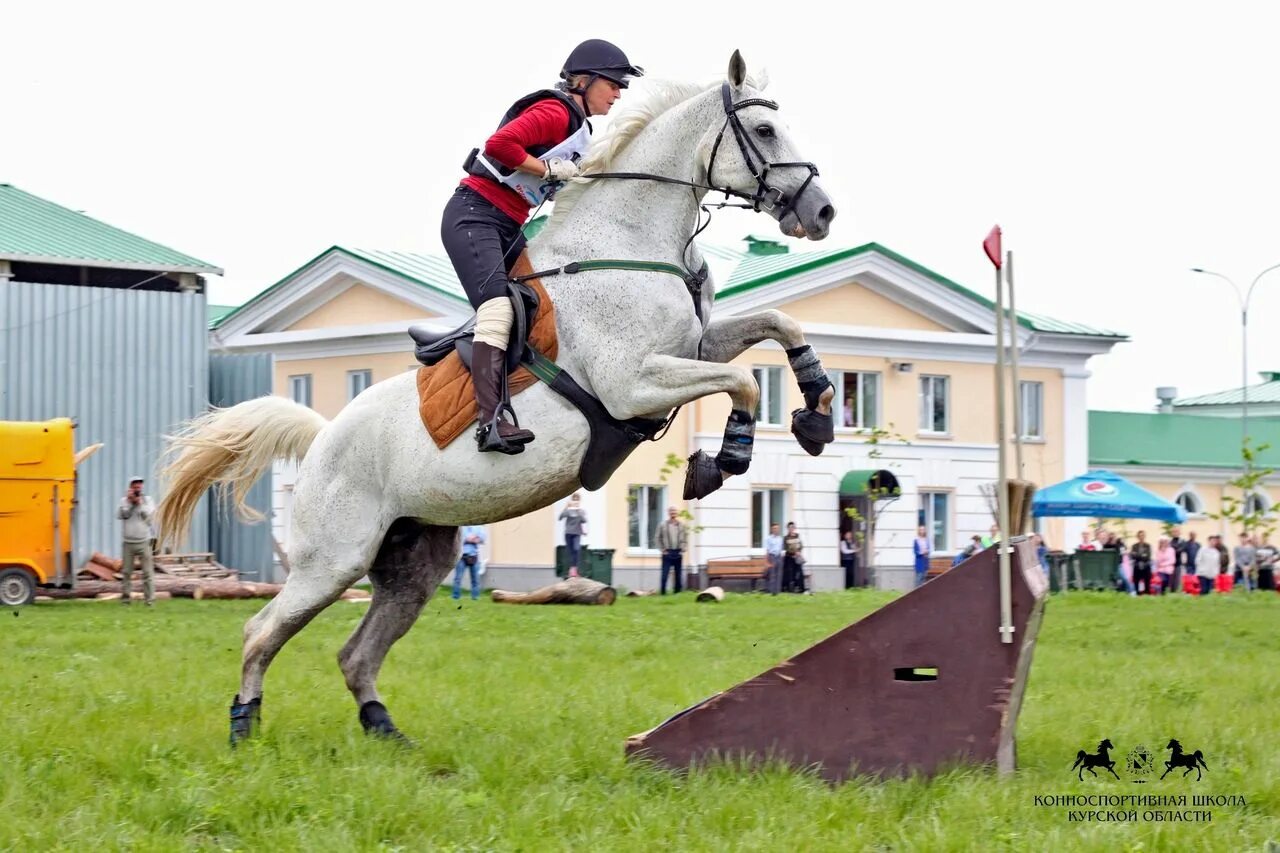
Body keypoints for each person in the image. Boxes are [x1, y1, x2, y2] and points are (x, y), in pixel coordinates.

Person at [442, 39, 643, 455]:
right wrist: (549, 169)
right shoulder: (555, 112)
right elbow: (500, 146)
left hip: (506, 223)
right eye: (614, 83)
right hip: (474, 216)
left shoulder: (581, 131)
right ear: (583, 81)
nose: (619, 93)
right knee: (498, 309)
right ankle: (490, 421)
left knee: (545, 303)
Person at [117, 476, 155, 606]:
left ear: (142, 486)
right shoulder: (124, 500)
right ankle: (126, 599)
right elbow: (122, 515)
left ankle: (149, 600)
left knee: (147, 573)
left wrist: (139, 504)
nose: (137, 487)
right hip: (128, 542)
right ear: (131, 487)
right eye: (135, 485)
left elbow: (149, 517)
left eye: (139, 484)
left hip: (144, 541)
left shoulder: (148, 500)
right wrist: (130, 503)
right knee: (126, 572)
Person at [654, 505, 688, 595]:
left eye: (674, 511)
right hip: (667, 552)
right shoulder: (662, 525)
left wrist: (683, 550)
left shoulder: (682, 525)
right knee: (664, 574)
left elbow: (685, 538)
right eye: (671, 511)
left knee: (678, 574)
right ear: (668, 513)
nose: (673, 513)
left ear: (677, 513)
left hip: (678, 551)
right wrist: (662, 550)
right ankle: (663, 592)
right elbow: (657, 538)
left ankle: (677, 592)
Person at [452, 525, 487, 601]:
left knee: (475, 580)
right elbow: (459, 539)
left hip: (474, 556)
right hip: (461, 556)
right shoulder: (461, 527)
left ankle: (475, 597)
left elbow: (483, 539)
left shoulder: (479, 527)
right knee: (458, 578)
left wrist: (468, 539)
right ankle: (455, 597)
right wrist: (473, 538)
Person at [559, 493, 588, 578]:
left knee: (576, 549)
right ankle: (572, 570)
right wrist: (566, 507)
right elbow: (560, 518)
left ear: (579, 501)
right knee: (571, 551)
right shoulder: (568, 511)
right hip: (568, 533)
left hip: (577, 533)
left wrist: (579, 512)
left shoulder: (581, 511)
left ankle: (574, 569)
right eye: (574, 499)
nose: (575, 501)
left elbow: (584, 520)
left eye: (577, 500)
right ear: (572, 500)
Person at [782, 522, 806, 593]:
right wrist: (793, 552)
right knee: (790, 574)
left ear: (794, 528)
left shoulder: (797, 536)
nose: (791, 529)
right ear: (788, 528)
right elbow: (785, 548)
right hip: (789, 558)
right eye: (790, 527)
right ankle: (789, 589)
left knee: (799, 573)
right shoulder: (785, 538)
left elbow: (801, 546)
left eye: (793, 527)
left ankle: (799, 588)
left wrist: (798, 552)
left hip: (797, 557)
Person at [1129, 530, 1153, 595]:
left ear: (1145, 536)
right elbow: (1132, 556)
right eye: (1140, 536)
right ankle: (1137, 594)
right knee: (1136, 583)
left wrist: (1137, 555)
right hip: (1137, 567)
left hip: (1146, 566)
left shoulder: (1148, 546)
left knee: (1147, 584)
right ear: (1137, 537)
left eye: (1142, 535)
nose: (1141, 537)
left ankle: (1147, 595)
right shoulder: (1134, 546)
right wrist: (1142, 555)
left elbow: (1147, 557)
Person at [765, 522, 785, 596]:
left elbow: (782, 549)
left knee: (779, 575)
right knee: (772, 575)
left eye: (777, 528)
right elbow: (767, 550)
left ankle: (777, 592)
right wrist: (767, 561)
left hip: (779, 557)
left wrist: (782, 557)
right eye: (774, 528)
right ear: (772, 529)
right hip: (772, 556)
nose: (776, 530)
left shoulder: (780, 539)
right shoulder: (768, 538)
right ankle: (771, 591)